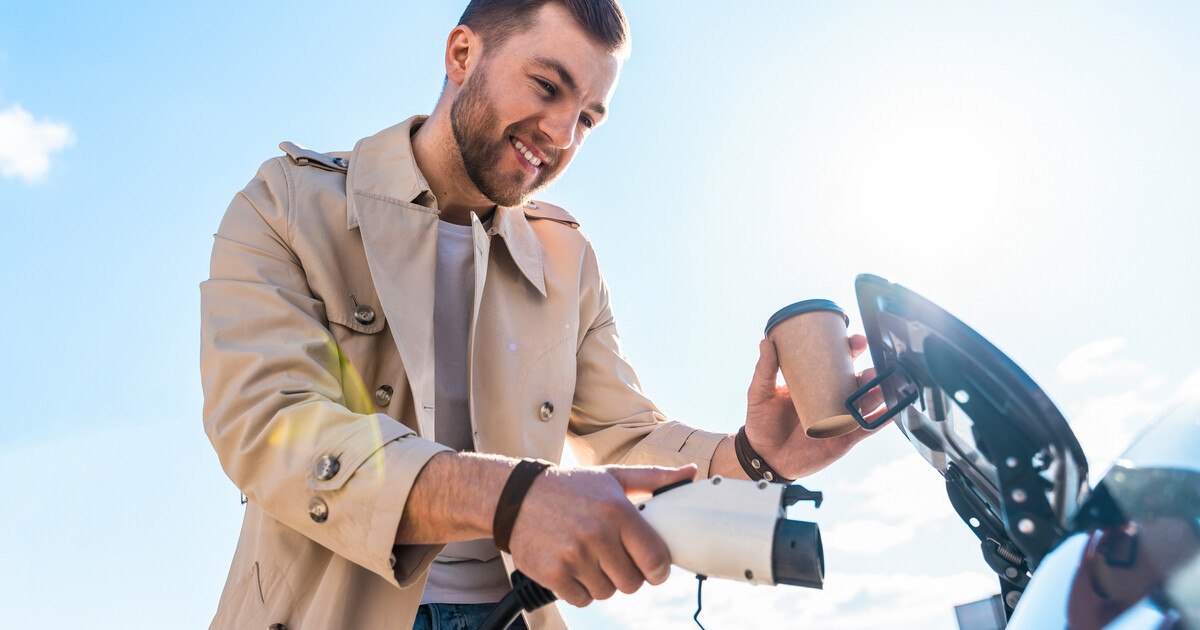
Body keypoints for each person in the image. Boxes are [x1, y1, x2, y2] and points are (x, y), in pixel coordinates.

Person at [200, 1, 884, 628]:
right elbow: (272, 425)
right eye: (548, 87)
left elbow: (623, 435)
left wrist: (753, 456)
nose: (561, 134)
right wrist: (514, 498)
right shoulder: (285, 203)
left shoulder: (569, 260)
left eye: (587, 118)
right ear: (462, 55)